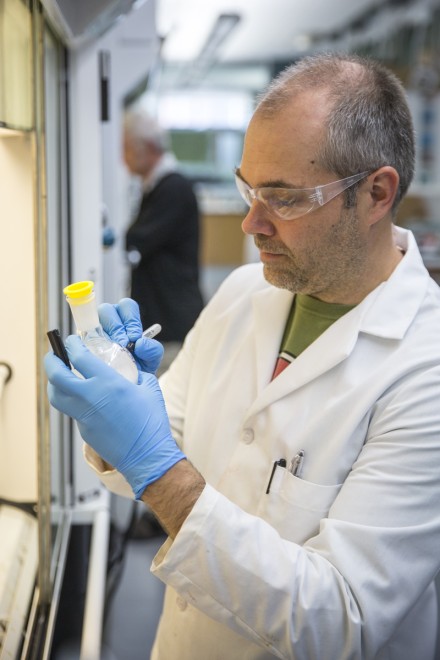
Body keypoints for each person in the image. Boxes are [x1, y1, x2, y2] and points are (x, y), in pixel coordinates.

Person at [45, 53, 440, 660]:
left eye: (283, 198)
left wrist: (159, 471)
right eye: (248, 189)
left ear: (376, 194)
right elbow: (149, 451)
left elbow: (342, 620)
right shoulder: (242, 292)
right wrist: (119, 408)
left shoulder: (425, 367)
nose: (251, 223)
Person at [123, 108, 204, 371]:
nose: (122, 159)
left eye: (125, 149)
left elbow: (137, 238)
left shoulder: (173, 188)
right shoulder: (155, 186)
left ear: (143, 148)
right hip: (162, 320)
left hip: (172, 324)